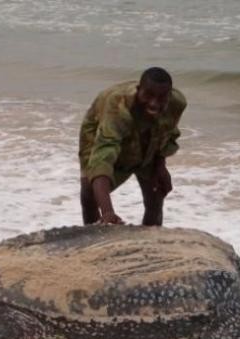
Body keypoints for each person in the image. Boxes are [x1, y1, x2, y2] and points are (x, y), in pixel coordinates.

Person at [78, 67, 187, 226]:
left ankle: (152, 238)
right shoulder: (117, 105)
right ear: (138, 91)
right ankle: (92, 238)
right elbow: (102, 157)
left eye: (161, 97)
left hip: (147, 138)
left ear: (169, 96)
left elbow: (165, 134)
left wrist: (160, 166)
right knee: (90, 194)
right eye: (148, 95)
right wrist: (108, 213)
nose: (154, 103)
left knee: (156, 193)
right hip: (99, 132)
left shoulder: (177, 104)